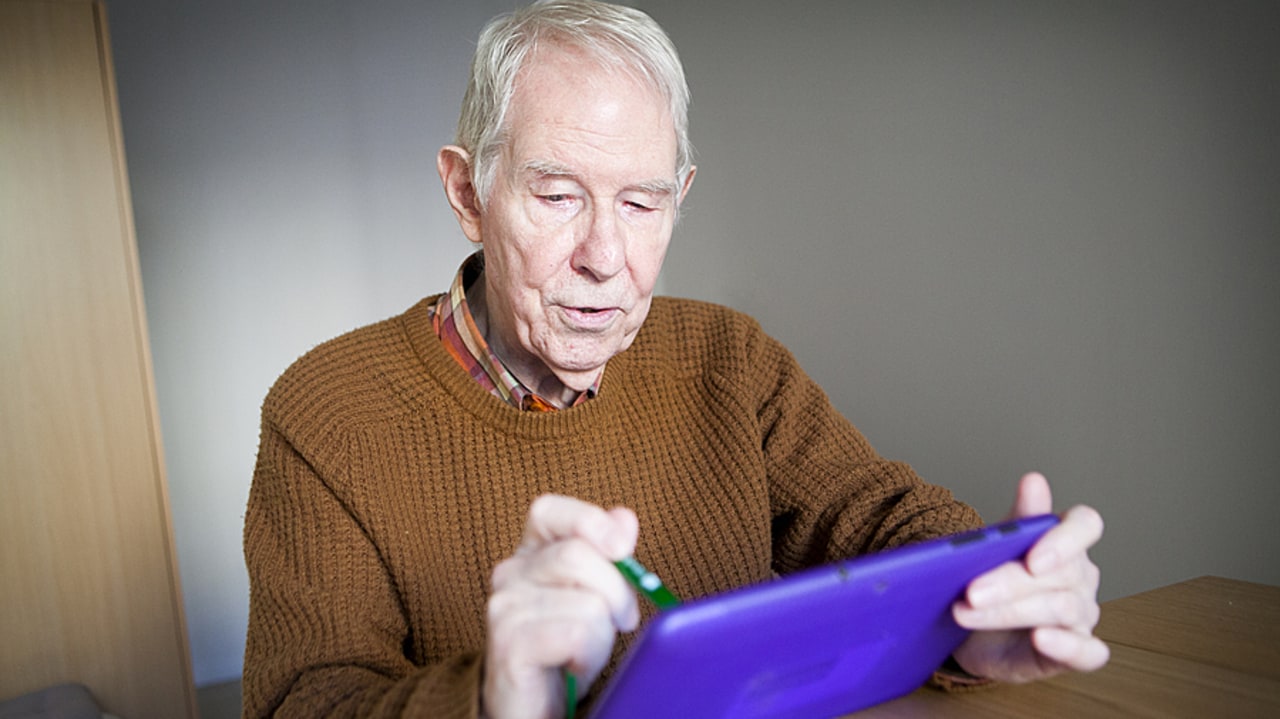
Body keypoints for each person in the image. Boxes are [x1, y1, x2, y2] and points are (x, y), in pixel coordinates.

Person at [242, 2, 1108, 717]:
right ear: (469, 193)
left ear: (678, 197)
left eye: (641, 202)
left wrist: (977, 609)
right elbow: (304, 701)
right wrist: (488, 700)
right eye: (556, 194)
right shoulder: (324, 414)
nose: (605, 255)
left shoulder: (730, 358)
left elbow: (877, 518)